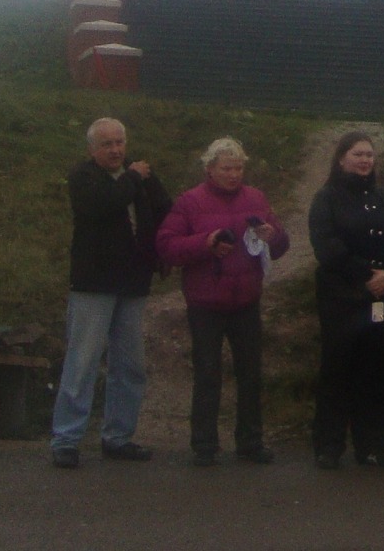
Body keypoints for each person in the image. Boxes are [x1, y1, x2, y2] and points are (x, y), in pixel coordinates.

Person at [155, 137, 289, 466]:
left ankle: (250, 442)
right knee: (207, 373)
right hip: (205, 302)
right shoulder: (189, 202)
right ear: (210, 169)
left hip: (246, 299)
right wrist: (206, 243)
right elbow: (167, 245)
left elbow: (281, 244)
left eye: (239, 167)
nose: (233, 174)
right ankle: (204, 444)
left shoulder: (256, 198)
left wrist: (274, 237)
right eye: (226, 168)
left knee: (250, 373)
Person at [50, 117, 172, 469]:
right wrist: (134, 177)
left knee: (130, 365)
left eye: (120, 142)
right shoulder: (84, 178)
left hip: (133, 284)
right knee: (82, 363)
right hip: (93, 285)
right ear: (92, 149)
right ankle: (66, 438)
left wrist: (164, 251)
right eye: (107, 144)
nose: (116, 149)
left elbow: (166, 210)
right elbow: (105, 203)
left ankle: (118, 436)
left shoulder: (141, 176)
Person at [309, 131, 384, 470]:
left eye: (369, 154)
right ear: (341, 159)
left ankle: (373, 445)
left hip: (381, 300)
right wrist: (366, 276)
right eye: (358, 154)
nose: (365, 160)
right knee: (337, 371)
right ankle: (329, 446)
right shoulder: (327, 198)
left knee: (378, 371)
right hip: (342, 298)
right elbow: (327, 246)